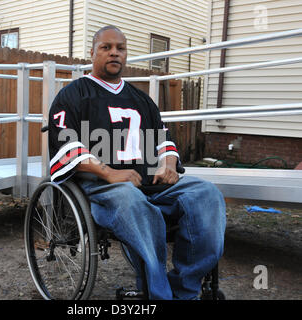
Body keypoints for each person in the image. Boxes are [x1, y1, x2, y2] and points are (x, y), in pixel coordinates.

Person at [47, 25, 226, 300]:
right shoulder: (73, 95)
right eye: (106, 47)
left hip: (147, 182)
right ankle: (158, 295)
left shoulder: (142, 99)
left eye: (120, 48)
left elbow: (163, 139)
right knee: (132, 200)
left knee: (206, 194)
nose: (114, 53)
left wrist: (167, 162)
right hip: (100, 187)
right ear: (92, 52)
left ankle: (185, 288)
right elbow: (65, 145)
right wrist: (108, 173)